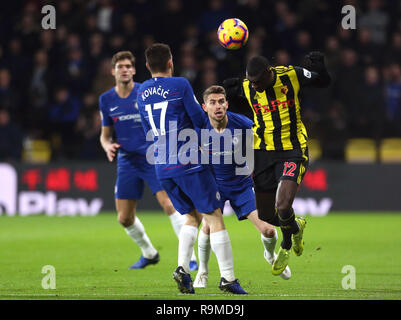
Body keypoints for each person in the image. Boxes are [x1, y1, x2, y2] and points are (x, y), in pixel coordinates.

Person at [137, 43, 247, 294]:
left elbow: (147, 131)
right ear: (170, 62)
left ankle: (182, 270)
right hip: (188, 162)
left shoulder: (141, 91)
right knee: (214, 216)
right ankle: (228, 279)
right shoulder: (180, 85)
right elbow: (199, 119)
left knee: (192, 217)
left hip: (161, 166)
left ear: (146, 66)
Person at [223, 52, 331, 276]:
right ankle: (296, 226)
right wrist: (224, 89)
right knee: (266, 216)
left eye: (257, 82)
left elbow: (323, 82)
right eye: (250, 82)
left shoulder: (291, 75)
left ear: (268, 73)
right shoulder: (247, 87)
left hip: (292, 149)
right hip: (262, 152)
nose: (254, 86)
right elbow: (220, 100)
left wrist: (321, 68)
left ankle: (286, 245)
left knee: (282, 206)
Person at [99, 51, 197, 270]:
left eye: (128, 66)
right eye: (120, 66)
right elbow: (105, 135)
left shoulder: (145, 91)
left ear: (135, 70)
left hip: (153, 156)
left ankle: (189, 258)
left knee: (170, 205)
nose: (124, 69)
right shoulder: (106, 100)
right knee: (124, 218)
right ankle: (149, 253)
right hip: (127, 161)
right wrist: (107, 146)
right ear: (113, 71)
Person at [193, 85, 291, 288]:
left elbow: (264, 144)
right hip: (215, 187)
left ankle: (270, 255)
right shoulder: (199, 127)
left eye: (221, 101)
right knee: (207, 227)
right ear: (204, 107)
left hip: (241, 185)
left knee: (269, 230)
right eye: (213, 102)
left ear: (227, 104)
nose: (218, 106)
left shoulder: (244, 124)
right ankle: (202, 271)